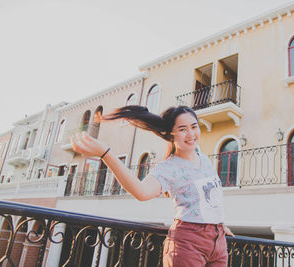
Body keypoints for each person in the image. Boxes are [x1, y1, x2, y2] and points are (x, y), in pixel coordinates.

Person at [71, 105, 234, 267]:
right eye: (183, 129)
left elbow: (209, 197)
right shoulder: (169, 167)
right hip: (189, 242)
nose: (191, 134)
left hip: (218, 241)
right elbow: (141, 192)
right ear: (171, 134)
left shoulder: (204, 159)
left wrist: (217, 223)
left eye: (194, 126)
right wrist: (105, 154)